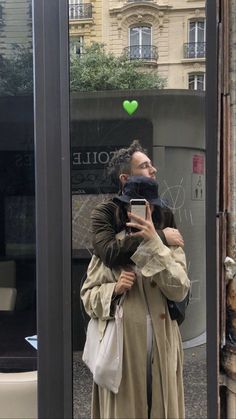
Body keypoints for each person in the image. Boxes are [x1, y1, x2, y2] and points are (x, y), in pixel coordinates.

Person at [81, 176, 191, 419]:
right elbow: (88, 297)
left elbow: (179, 289)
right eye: (136, 206)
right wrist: (114, 290)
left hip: (163, 349)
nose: (142, 212)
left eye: (148, 206)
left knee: (162, 407)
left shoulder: (169, 247)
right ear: (127, 210)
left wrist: (155, 242)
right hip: (122, 354)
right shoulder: (111, 249)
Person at [91, 139, 184, 268]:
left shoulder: (162, 211)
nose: (153, 170)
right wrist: (159, 236)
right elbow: (109, 253)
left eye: (151, 165)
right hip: (125, 285)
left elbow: (178, 268)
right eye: (144, 166)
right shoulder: (106, 212)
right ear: (125, 178)